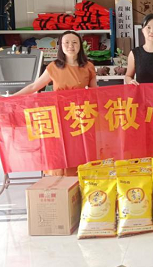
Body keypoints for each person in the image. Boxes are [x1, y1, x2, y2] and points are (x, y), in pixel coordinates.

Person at [14, 30, 97, 176]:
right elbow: (34, 87)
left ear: (80, 45)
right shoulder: (54, 66)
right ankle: (58, 182)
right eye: (66, 43)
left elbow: (95, 92)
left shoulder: (88, 66)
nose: (70, 46)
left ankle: (80, 179)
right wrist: (10, 97)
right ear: (60, 46)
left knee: (79, 148)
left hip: (80, 116)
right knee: (59, 148)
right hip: (59, 116)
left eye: (74, 42)